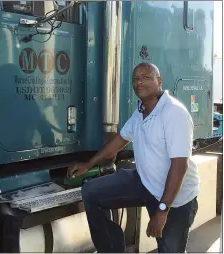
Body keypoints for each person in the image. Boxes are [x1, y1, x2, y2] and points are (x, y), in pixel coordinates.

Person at [67, 62, 199, 253]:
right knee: (92, 192)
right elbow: (119, 140)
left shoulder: (174, 113)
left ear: (159, 81)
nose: (139, 82)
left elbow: (179, 166)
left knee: (170, 250)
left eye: (146, 77)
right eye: (136, 79)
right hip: (145, 182)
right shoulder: (141, 111)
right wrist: (88, 164)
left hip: (175, 198)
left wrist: (162, 211)